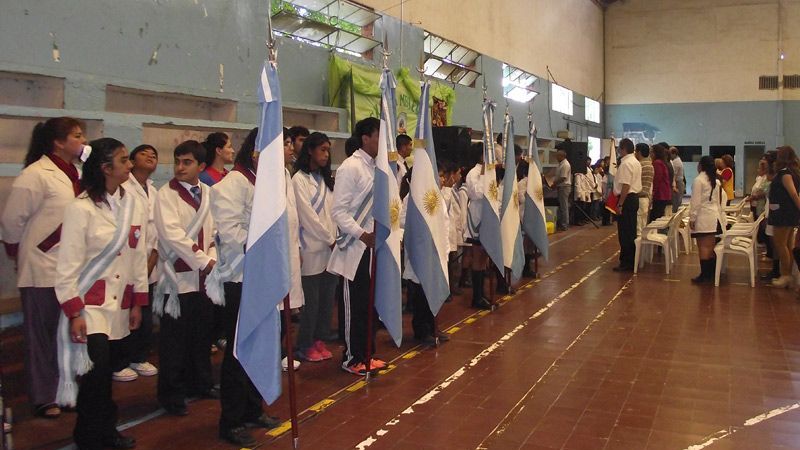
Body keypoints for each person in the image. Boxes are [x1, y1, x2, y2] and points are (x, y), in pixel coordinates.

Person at [55, 137, 148, 450]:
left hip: (119, 305)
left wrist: (137, 301)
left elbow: (136, 255)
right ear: (106, 168)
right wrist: (74, 312)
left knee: (107, 372)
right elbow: (67, 266)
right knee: (95, 377)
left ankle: (106, 431)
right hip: (90, 306)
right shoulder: (80, 209)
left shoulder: (131, 203)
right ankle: (90, 436)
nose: (130, 165)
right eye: (123, 160)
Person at [0, 117, 86, 419]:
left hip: (72, 268)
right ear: (58, 142)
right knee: (42, 335)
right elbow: (11, 221)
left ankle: (67, 389)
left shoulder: (77, 174)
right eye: (77, 136)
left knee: (68, 334)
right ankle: (43, 396)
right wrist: (18, 252)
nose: (82, 142)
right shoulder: (36, 174)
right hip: (42, 267)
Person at [209, 128, 280, 447]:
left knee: (262, 346)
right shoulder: (232, 184)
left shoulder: (266, 186)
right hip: (240, 278)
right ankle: (232, 420)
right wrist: (263, 248)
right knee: (239, 353)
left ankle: (253, 408)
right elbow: (230, 233)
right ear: (254, 152)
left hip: (263, 278)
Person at [154, 140, 218, 416]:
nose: (180, 167)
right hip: (175, 278)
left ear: (201, 166)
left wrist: (212, 257)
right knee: (174, 341)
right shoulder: (164, 195)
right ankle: (171, 393)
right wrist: (204, 261)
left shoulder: (209, 194)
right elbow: (172, 235)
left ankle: (200, 382)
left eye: (187, 162)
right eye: (177, 161)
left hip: (203, 278)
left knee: (201, 334)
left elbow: (215, 232)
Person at [327, 118, 387, 375]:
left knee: (370, 303)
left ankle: (368, 353)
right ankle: (352, 358)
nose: (381, 143)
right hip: (355, 247)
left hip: (374, 248)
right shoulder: (350, 167)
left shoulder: (378, 168)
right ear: (365, 138)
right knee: (356, 304)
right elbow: (338, 212)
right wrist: (362, 235)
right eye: (378, 136)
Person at [116, 145, 161, 382]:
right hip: (128, 260)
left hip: (150, 259)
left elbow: (156, 230)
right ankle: (119, 361)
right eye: (144, 153)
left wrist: (152, 260)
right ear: (132, 161)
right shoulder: (123, 188)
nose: (150, 155)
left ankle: (138, 356)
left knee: (143, 310)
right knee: (124, 314)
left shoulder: (154, 191)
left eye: (154, 154)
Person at [292, 132, 337, 362]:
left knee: (327, 301)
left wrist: (335, 238)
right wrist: (330, 238)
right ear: (310, 150)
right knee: (311, 302)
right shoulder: (299, 179)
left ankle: (320, 339)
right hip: (311, 247)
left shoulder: (327, 180)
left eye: (328, 150)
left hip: (331, 248)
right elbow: (308, 217)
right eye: (322, 150)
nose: (326, 155)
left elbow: (334, 212)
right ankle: (304, 344)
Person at [463, 146, 493, 310]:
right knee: (478, 257)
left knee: (483, 259)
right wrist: (483, 177)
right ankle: (477, 296)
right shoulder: (473, 173)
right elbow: (477, 194)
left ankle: (481, 293)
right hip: (477, 219)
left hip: (487, 217)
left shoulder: (489, 171)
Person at [688, 156, 725, 283]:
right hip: (714, 217)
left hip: (703, 217)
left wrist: (692, 218)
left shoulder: (699, 180)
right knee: (710, 247)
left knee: (703, 247)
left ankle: (705, 275)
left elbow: (695, 202)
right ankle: (712, 273)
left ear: (701, 166)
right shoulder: (716, 181)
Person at [767, 146, 800, 288]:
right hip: (786, 212)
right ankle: (786, 274)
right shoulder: (792, 172)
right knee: (786, 245)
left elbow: (793, 194)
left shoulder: (786, 174)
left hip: (783, 214)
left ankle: (785, 274)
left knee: (781, 244)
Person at [612, 138, 641, 272]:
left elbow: (625, 185)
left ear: (623, 149)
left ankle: (626, 262)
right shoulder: (635, 162)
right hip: (633, 198)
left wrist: (620, 204)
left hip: (627, 199)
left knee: (625, 232)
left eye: (619, 148)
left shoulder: (626, 164)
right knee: (631, 231)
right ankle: (631, 259)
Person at [634, 143, 653, 235]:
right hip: (646, 198)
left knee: (638, 228)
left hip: (639, 198)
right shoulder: (650, 165)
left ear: (639, 152)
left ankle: (637, 249)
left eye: (635, 151)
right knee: (643, 226)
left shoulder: (639, 165)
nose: (635, 153)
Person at [650, 144, 672, 221]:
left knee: (655, 217)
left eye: (651, 152)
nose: (650, 154)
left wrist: (652, 192)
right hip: (663, 194)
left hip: (660, 194)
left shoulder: (657, 163)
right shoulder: (662, 162)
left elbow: (656, 179)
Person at [553, 149, 572, 231]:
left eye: (557, 156)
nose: (556, 157)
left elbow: (563, 177)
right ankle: (562, 223)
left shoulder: (565, 165)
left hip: (564, 187)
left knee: (564, 206)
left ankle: (565, 224)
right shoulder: (561, 164)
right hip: (561, 186)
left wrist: (554, 183)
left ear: (561, 156)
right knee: (562, 206)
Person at [670, 147, 685, 212]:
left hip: (678, 183)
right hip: (679, 182)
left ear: (674, 154)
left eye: (670, 153)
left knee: (676, 203)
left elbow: (674, 175)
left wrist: (674, 186)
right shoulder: (677, 160)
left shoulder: (676, 162)